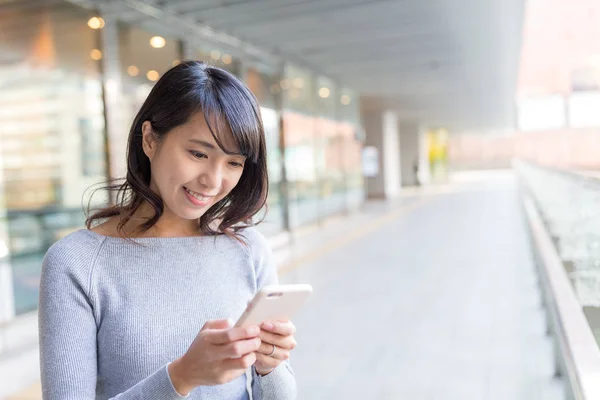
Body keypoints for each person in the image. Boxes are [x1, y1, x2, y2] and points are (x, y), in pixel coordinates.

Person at [38, 61, 297, 399]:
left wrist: (270, 365)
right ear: (149, 139)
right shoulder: (76, 263)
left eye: (233, 163)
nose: (214, 181)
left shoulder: (248, 248)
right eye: (198, 153)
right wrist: (181, 377)